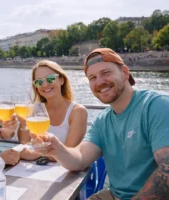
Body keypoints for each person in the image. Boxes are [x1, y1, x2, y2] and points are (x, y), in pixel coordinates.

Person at [33, 48, 169, 200]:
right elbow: (80, 159)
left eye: (106, 73)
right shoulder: (102, 120)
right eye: (92, 77)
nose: (99, 82)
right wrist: (56, 148)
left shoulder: (157, 105)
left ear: (124, 72)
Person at [17, 60, 88, 161]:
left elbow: (68, 151)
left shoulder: (78, 111)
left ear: (61, 80)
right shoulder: (35, 111)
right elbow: (24, 142)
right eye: (39, 82)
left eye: (50, 79)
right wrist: (23, 123)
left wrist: (36, 154)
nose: (44, 85)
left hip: (64, 172)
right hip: (38, 169)